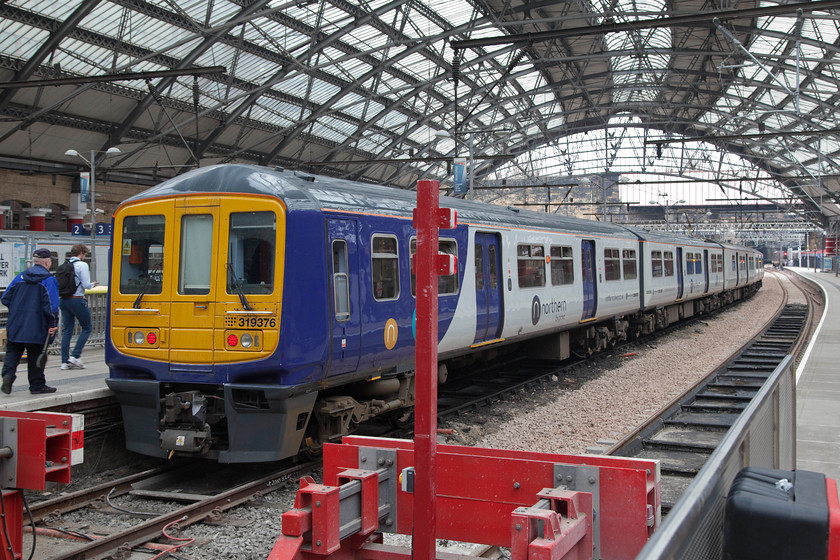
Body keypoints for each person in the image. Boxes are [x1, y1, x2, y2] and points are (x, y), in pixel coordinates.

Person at [1, 248, 59, 394]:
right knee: (35, 353)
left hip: (16, 322)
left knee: (13, 350)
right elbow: (52, 306)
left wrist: (17, 309)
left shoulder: (20, 277)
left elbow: (5, 298)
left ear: (34, 262)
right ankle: (37, 385)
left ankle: (8, 375)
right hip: (37, 324)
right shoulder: (48, 280)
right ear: (47, 262)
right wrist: (53, 324)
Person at [60, 244, 98, 370]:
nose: (85, 257)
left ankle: (64, 362)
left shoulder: (64, 265)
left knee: (67, 330)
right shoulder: (82, 265)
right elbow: (86, 285)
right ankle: (75, 356)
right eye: (85, 254)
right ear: (81, 253)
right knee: (87, 327)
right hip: (77, 300)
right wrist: (93, 284)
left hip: (64, 301)